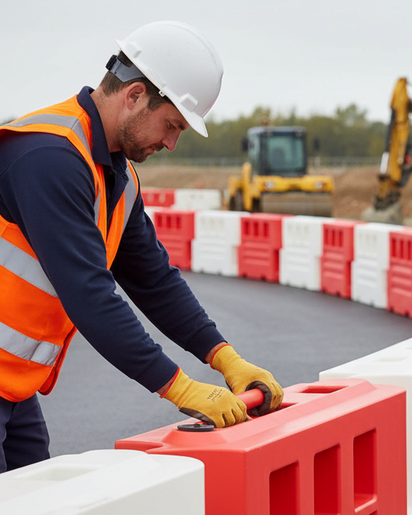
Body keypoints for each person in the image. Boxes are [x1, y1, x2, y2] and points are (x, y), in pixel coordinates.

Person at [0, 20, 283, 473]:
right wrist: (178, 387)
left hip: (13, 386)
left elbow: (154, 281)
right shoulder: (48, 158)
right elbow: (89, 295)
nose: (171, 143)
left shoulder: (118, 177)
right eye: (171, 125)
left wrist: (223, 356)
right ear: (133, 96)